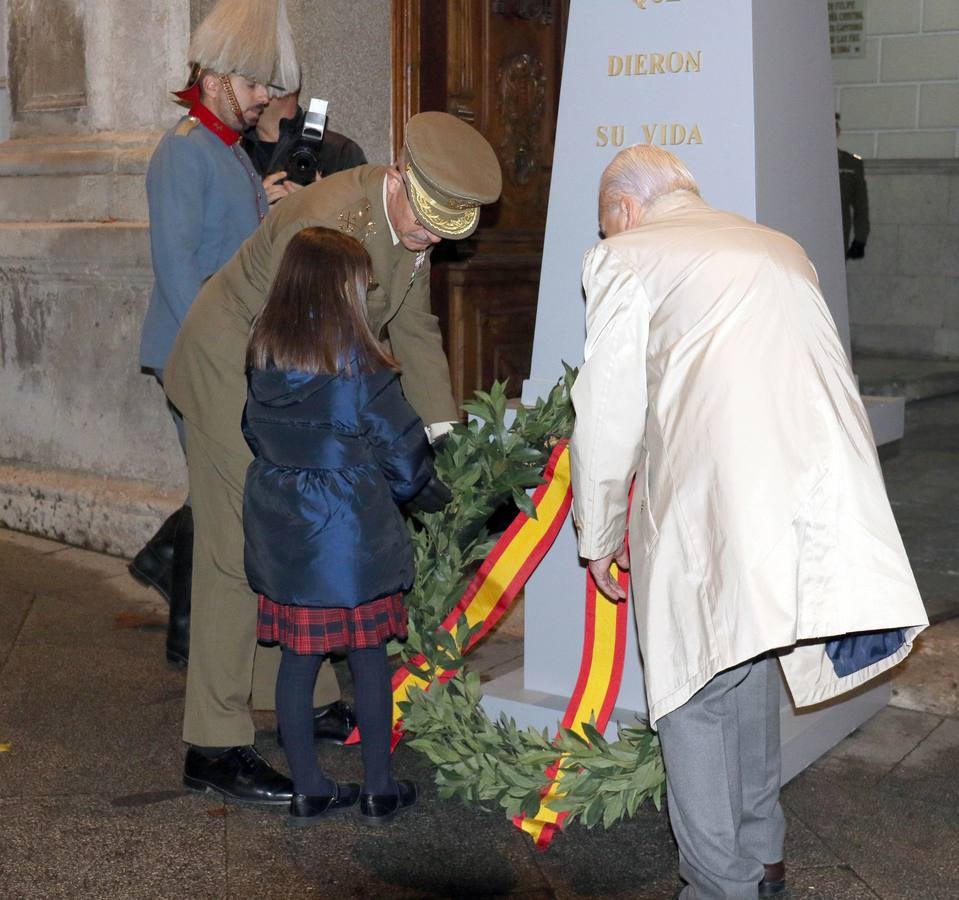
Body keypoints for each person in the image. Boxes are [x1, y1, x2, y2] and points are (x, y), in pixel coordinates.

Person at [569, 145, 927, 899]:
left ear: (623, 211)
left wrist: (597, 535)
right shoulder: (779, 247)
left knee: (690, 697)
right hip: (813, 500)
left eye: (606, 226)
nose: (606, 240)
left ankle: (715, 885)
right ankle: (763, 856)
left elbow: (606, 418)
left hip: (714, 506)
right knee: (749, 663)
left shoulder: (628, 256)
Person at [163, 111, 502, 805]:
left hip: (304, 372)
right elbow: (303, 351)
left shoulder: (413, 222)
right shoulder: (328, 221)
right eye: (425, 225)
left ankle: (306, 699)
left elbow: (413, 323)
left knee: (297, 539)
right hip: (243, 370)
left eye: (443, 231)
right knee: (240, 552)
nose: (428, 241)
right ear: (400, 178)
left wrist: (441, 431)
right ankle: (215, 745)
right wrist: (387, 440)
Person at [242, 226, 446, 825]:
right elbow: (404, 455)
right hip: (351, 541)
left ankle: (308, 788)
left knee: (297, 663)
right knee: (368, 660)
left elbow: (252, 433)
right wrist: (431, 496)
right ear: (345, 293)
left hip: (288, 536)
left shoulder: (263, 356)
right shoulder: (361, 366)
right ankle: (379, 788)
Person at [131, 0, 299, 667]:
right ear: (217, 77)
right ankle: (196, 636)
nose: (265, 98)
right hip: (195, 353)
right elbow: (180, 275)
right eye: (255, 84)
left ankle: (167, 567)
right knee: (226, 497)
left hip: (229, 351)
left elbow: (230, 250)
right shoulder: (183, 153)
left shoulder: (226, 152)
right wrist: (226, 363)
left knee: (220, 490)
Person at [243, 85, 367, 206]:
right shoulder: (232, 150)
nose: (237, 93)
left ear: (286, 83)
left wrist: (321, 208)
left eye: (251, 83)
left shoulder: (340, 152)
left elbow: (366, 220)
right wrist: (254, 214)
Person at [836, 113, 869, 259]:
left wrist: (860, 238)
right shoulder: (806, 162)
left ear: (838, 131)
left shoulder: (851, 163)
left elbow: (861, 204)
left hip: (839, 231)